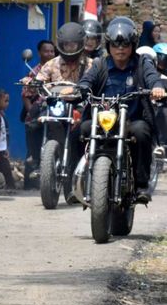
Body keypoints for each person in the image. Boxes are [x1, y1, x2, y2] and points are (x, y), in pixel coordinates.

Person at [67, 16, 166, 204]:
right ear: (109, 46)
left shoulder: (142, 63)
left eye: (125, 44)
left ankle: (141, 185)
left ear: (133, 45)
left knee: (142, 133)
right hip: (103, 119)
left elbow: (153, 77)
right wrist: (78, 89)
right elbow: (87, 81)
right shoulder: (100, 64)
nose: (120, 49)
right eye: (115, 45)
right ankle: (76, 183)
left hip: (132, 120)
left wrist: (156, 87)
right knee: (78, 132)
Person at [32, 23, 92, 195]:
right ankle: (38, 161)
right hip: (57, 106)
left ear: (80, 44)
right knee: (33, 124)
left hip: (81, 108)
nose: (70, 48)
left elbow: (98, 80)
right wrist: (34, 82)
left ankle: (85, 169)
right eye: (66, 45)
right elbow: (40, 77)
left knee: (84, 133)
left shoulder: (90, 64)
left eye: (73, 45)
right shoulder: (52, 64)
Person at [20, 39, 55, 185]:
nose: (49, 54)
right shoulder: (34, 71)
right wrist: (31, 112)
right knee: (33, 132)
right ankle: (30, 181)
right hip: (39, 112)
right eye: (46, 51)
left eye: (52, 51)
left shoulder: (59, 70)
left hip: (55, 111)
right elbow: (26, 95)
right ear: (40, 53)